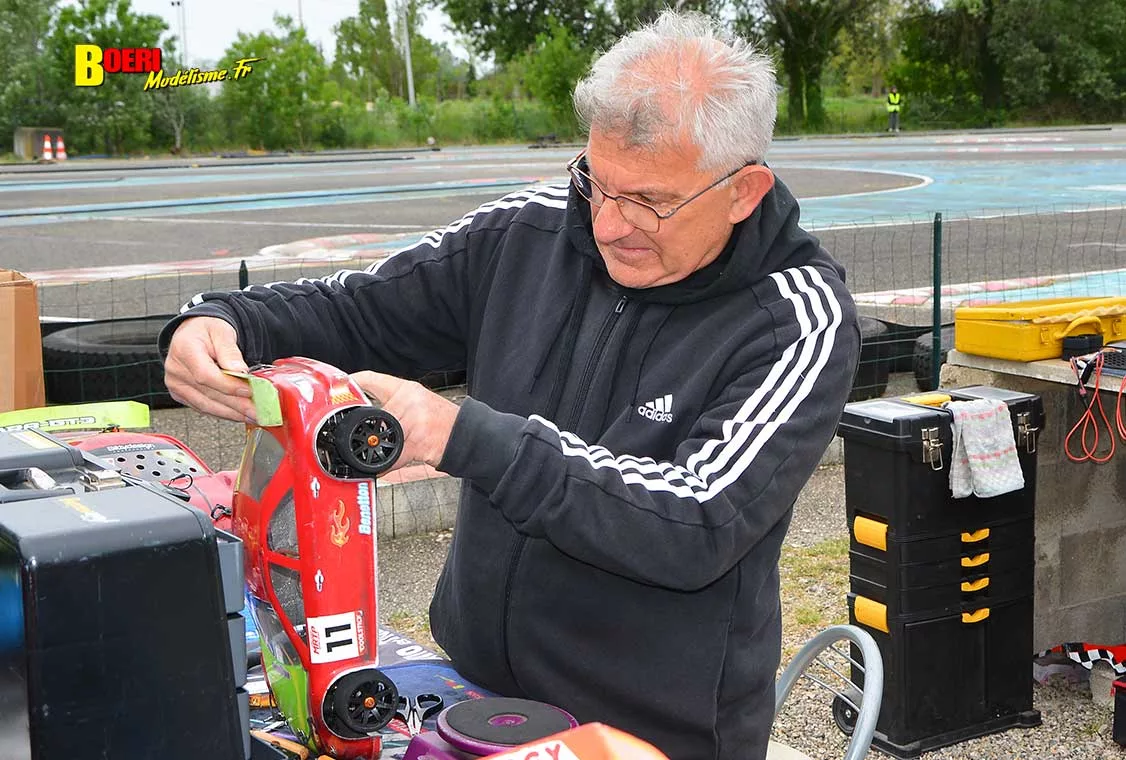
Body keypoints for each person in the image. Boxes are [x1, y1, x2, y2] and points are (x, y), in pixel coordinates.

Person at [160, 10, 860, 759]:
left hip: (650, 734)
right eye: (597, 183)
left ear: (744, 191)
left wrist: (462, 436)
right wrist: (221, 319)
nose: (610, 224)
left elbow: (695, 520)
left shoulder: (798, 320)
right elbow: (362, 307)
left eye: (651, 202)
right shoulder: (528, 230)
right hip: (473, 695)